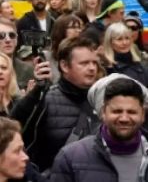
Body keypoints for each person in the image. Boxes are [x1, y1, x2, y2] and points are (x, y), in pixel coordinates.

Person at [11, 36, 100, 172]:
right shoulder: (45, 99)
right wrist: (36, 93)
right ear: (64, 66)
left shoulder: (104, 100)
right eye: (84, 63)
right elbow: (16, 126)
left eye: (94, 63)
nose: (92, 68)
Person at [51, 76, 148, 181]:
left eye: (131, 112)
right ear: (103, 113)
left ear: (142, 114)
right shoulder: (70, 158)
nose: (124, 118)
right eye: (117, 111)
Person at [100, 22, 148, 87]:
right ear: (110, 42)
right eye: (119, 39)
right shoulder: (107, 67)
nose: (124, 43)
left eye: (127, 38)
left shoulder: (138, 64)